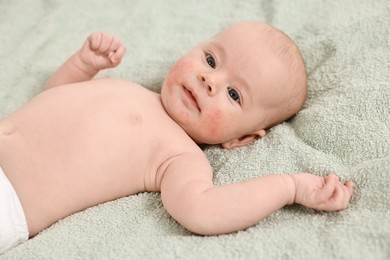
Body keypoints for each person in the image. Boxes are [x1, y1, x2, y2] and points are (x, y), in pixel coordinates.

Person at [0, 21, 353, 254]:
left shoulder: (179, 156)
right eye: (211, 59)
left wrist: (289, 187)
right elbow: (53, 98)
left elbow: (204, 211)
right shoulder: (132, 88)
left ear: (242, 139)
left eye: (234, 95)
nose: (210, 80)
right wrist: (83, 65)